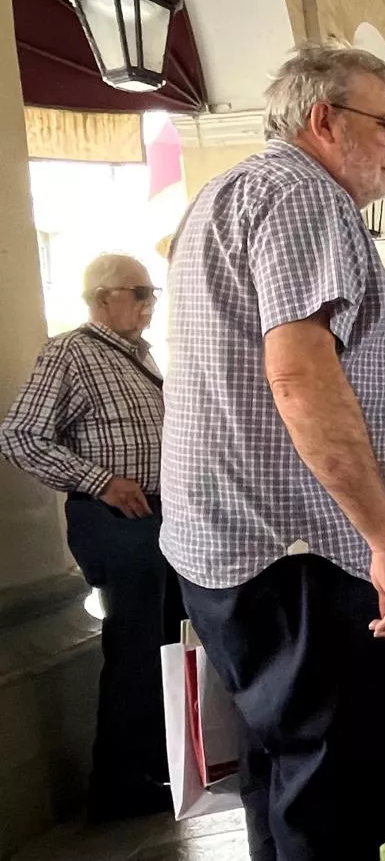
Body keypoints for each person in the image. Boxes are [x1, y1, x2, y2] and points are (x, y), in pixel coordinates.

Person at [160, 43, 385, 858]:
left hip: (231, 552)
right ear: (325, 120)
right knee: (343, 796)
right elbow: (301, 377)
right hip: (296, 552)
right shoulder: (307, 196)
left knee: (282, 787)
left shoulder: (226, 193)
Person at [0, 253, 177, 821]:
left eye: (153, 292)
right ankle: (124, 784)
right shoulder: (72, 352)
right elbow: (21, 436)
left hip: (157, 518)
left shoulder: (137, 357)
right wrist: (100, 482)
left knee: (164, 644)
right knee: (135, 648)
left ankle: (160, 768)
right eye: (141, 291)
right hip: (118, 523)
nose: (151, 302)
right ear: (104, 299)